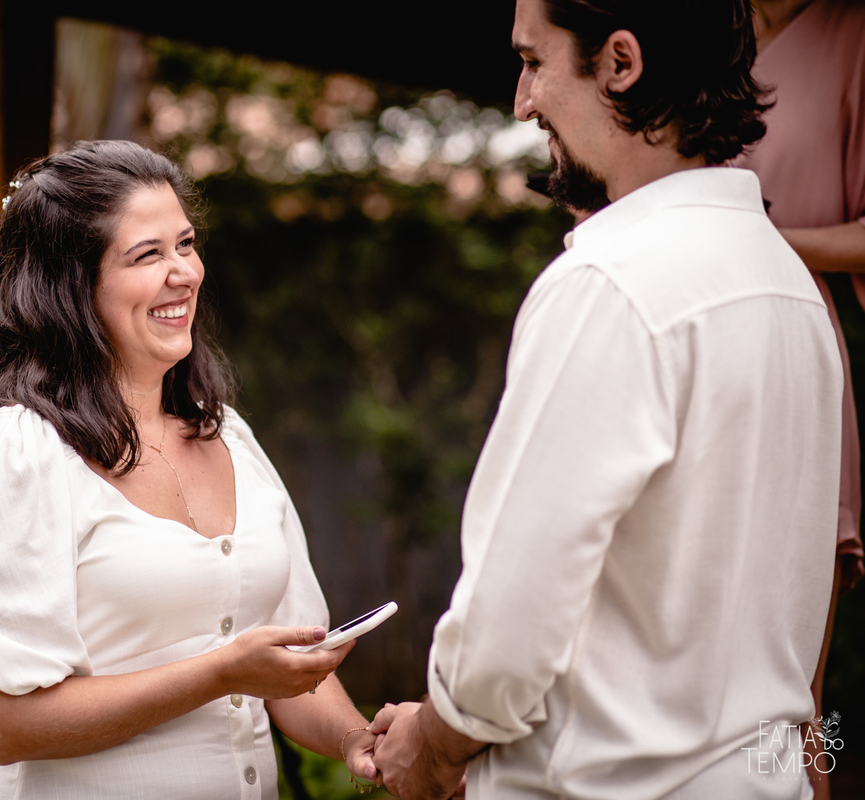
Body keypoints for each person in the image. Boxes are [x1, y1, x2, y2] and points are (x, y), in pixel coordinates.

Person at [369, 1, 843, 798]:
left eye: (533, 62)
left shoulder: (609, 285)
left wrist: (436, 740)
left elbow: (510, 622)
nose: (521, 102)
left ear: (621, 63)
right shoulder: (789, 287)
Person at [0, 140, 378, 799]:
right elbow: (6, 723)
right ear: (72, 286)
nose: (184, 273)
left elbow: (290, 668)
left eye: (186, 245)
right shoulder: (19, 455)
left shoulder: (230, 437)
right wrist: (221, 673)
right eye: (148, 255)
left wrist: (354, 740)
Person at [736, 4, 865, 791]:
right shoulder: (690, 23)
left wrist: (755, 239)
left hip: (793, 346)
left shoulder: (852, 33)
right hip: (684, 341)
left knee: (792, 707)